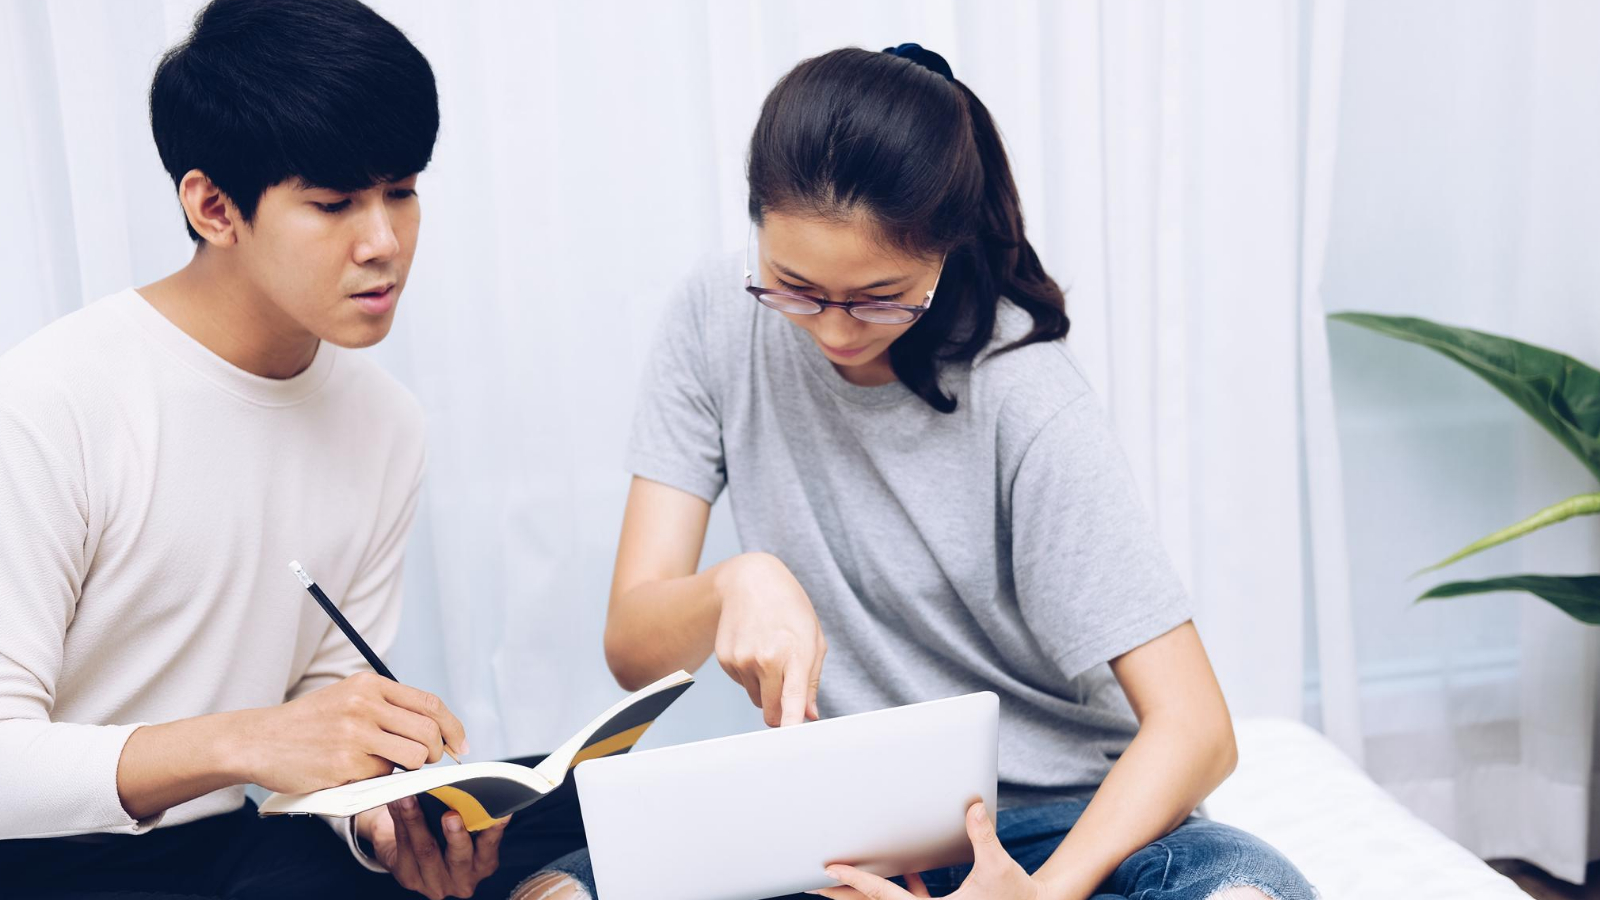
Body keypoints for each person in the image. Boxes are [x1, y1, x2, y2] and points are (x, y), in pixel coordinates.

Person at [587, 44, 1318, 900]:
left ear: (944, 253)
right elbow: (632, 650)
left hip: (1049, 820)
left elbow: (1197, 729)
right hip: (836, 825)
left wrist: (1040, 897)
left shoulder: (1025, 393)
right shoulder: (713, 319)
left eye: (878, 296)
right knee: (570, 885)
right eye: (794, 287)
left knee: (1243, 885)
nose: (831, 329)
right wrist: (732, 585)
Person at [0, 2, 583, 897]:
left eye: (403, 191)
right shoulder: (52, 401)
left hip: (241, 847)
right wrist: (247, 739)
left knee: (576, 801)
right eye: (334, 203)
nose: (383, 242)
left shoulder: (385, 423)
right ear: (214, 206)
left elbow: (322, 706)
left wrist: (382, 817)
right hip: (48, 858)